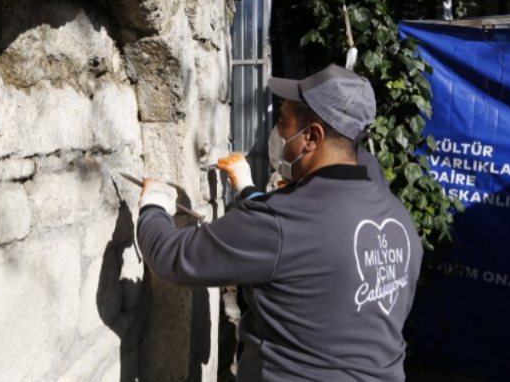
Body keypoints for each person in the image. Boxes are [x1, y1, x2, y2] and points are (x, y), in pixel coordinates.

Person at [136, 64, 423, 382]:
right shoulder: (398, 218)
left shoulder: (282, 222)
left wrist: (154, 205)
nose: (278, 134)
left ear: (312, 136)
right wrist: (247, 189)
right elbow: (307, 247)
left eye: (283, 123)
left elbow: (172, 256)